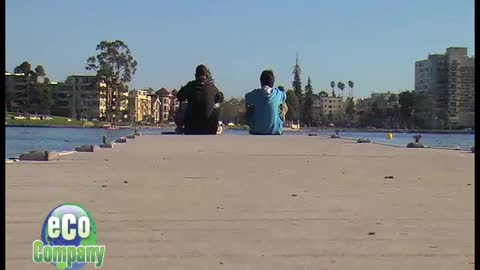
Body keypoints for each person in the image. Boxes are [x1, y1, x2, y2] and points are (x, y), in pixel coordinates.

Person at [175, 65, 224, 135]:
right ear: (206, 75)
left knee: (184, 104)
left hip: (191, 128)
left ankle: (180, 127)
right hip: (209, 129)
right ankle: (218, 125)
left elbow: (179, 96)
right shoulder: (212, 87)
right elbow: (221, 98)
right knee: (217, 107)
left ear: (195, 75)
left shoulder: (190, 86)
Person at [245, 70, 288, 135]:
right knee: (282, 103)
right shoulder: (278, 93)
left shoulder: (256, 93)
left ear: (261, 82)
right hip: (275, 130)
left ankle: (253, 124)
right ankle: (278, 122)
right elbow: (285, 96)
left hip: (256, 130)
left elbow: (246, 97)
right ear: (273, 82)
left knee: (250, 104)